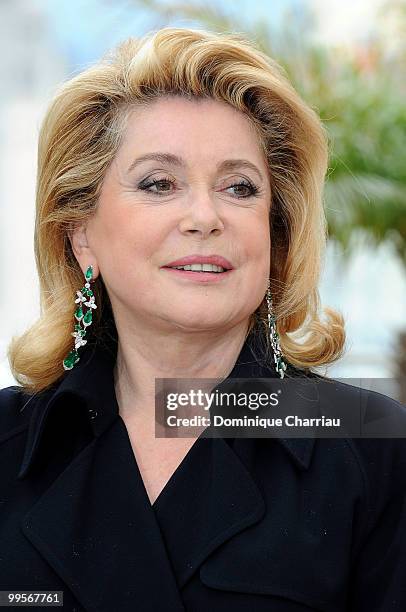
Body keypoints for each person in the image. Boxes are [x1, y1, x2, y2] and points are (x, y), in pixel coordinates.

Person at [1, 26, 406, 612]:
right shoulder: (7, 446)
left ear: (275, 232)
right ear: (80, 232)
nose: (204, 216)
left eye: (240, 188)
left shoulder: (372, 447)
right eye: (159, 183)